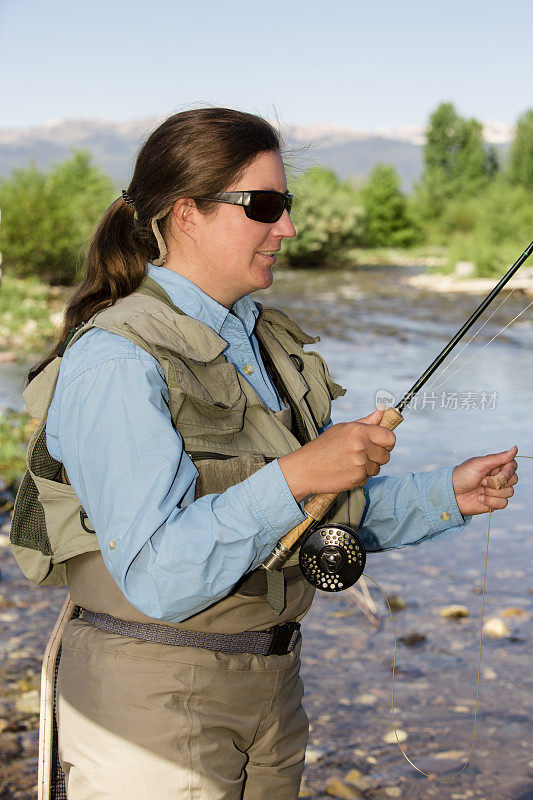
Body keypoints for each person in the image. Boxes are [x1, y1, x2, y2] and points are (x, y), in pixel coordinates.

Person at [11, 107, 518, 800]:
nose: (287, 227)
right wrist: (297, 472)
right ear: (186, 213)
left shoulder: (267, 343)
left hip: (271, 692)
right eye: (265, 206)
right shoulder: (116, 360)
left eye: (287, 204)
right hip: (149, 699)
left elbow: (312, 515)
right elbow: (159, 575)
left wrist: (444, 496)